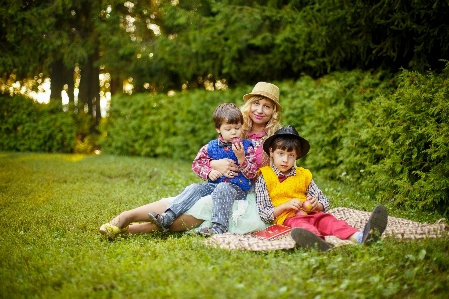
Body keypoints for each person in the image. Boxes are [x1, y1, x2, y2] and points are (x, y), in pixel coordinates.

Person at [99, 82, 282, 239]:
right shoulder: (236, 125)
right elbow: (211, 154)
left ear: (273, 111)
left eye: (267, 106)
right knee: (190, 195)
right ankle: (126, 216)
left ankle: (132, 229)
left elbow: (279, 171)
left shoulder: (275, 139)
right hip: (218, 181)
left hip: (246, 191)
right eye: (256, 103)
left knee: (204, 206)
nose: (259, 110)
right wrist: (213, 165)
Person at [255, 125, 389, 252]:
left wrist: (316, 205)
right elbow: (265, 214)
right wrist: (286, 205)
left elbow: (324, 202)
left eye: (291, 155)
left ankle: (361, 237)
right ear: (271, 152)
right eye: (281, 153)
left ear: (297, 156)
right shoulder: (265, 177)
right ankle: (318, 243)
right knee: (305, 228)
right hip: (289, 218)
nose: (285, 160)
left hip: (312, 213)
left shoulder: (304, 175)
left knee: (331, 222)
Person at [146, 103, 258, 235]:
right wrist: (209, 172)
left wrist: (241, 159)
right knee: (194, 188)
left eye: (237, 128)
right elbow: (197, 163)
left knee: (223, 188)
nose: (234, 132)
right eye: (228, 129)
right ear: (218, 129)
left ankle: (219, 227)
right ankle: (168, 217)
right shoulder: (210, 147)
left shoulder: (247, 148)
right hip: (213, 186)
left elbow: (252, 173)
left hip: (237, 189)